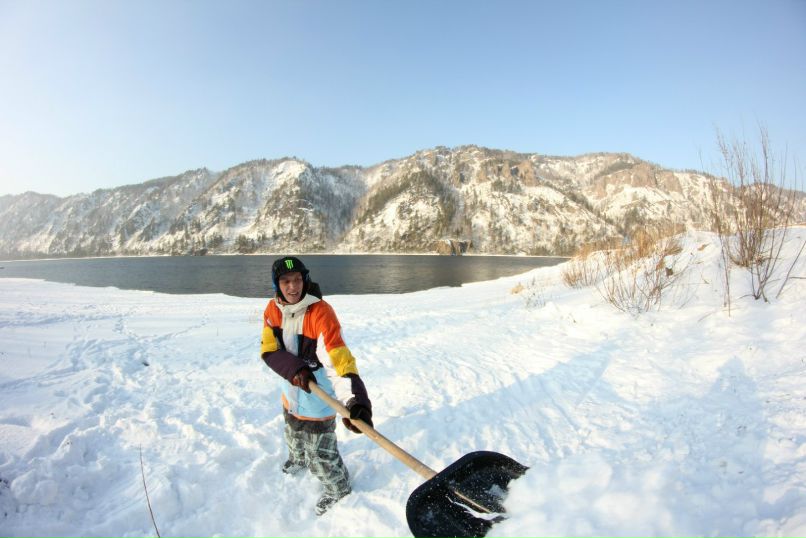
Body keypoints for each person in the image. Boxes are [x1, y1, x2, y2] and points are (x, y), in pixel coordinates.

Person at [260, 256, 373, 515]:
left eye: (298, 279)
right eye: (286, 281)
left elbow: (338, 359)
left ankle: (338, 487)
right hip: (291, 394)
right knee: (292, 434)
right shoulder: (272, 310)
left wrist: (354, 401)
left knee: (321, 454)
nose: (293, 287)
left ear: (305, 280)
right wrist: (295, 370)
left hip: (319, 400)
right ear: (277, 284)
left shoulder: (321, 312)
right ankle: (297, 459)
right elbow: (269, 349)